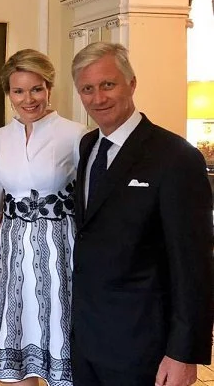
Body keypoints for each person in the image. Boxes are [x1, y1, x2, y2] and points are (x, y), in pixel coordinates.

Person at [70, 41, 213, 386]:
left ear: (131, 83)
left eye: (108, 84)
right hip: (87, 340)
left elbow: (194, 264)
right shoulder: (88, 146)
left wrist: (183, 353)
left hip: (143, 345)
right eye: (87, 89)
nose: (98, 98)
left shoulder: (175, 157)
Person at [0, 49, 86, 385]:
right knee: (17, 348)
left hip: (62, 255)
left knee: (62, 343)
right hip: (11, 257)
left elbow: (92, 202)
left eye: (36, 88)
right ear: (8, 94)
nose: (28, 99)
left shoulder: (76, 134)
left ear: (49, 87)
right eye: (18, 91)